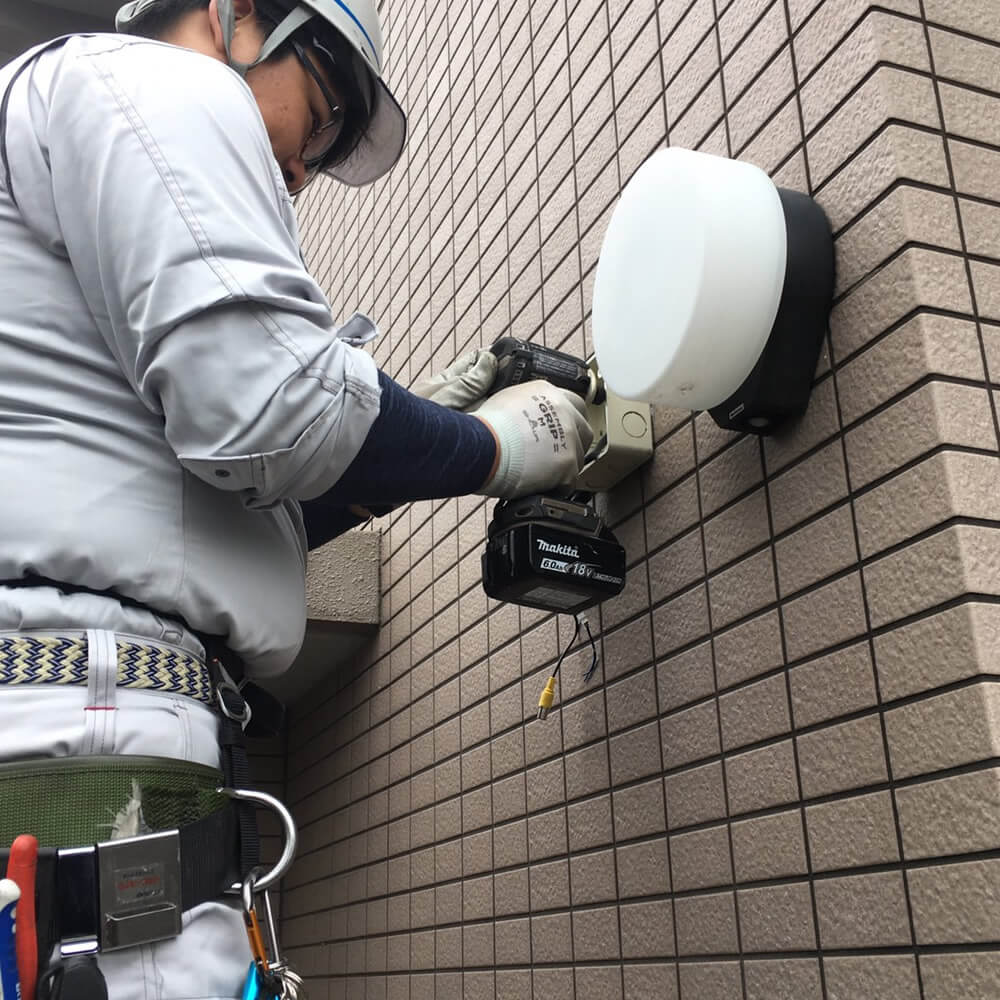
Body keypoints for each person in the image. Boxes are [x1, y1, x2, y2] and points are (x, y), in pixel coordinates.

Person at [0, 0, 593, 996]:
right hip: (89, 737)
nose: (305, 167)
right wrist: (491, 446)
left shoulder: (51, 129)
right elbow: (273, 412)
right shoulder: (139, 79)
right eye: (318, 114)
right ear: (232, 15)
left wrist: (404, 446)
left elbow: (206, 495)